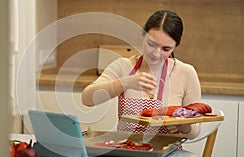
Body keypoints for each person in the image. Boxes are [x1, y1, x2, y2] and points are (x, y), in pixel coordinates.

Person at [82, 10, 201, 139]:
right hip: (128, 152)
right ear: (142, 35)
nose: (156, 53)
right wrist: (125, 83)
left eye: (166, 49)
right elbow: (87, 99)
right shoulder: (122, 67)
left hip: (168, 155)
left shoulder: (186, 73)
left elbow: (195, 132)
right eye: (151, 44)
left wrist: (182, 125)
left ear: (175, 46)